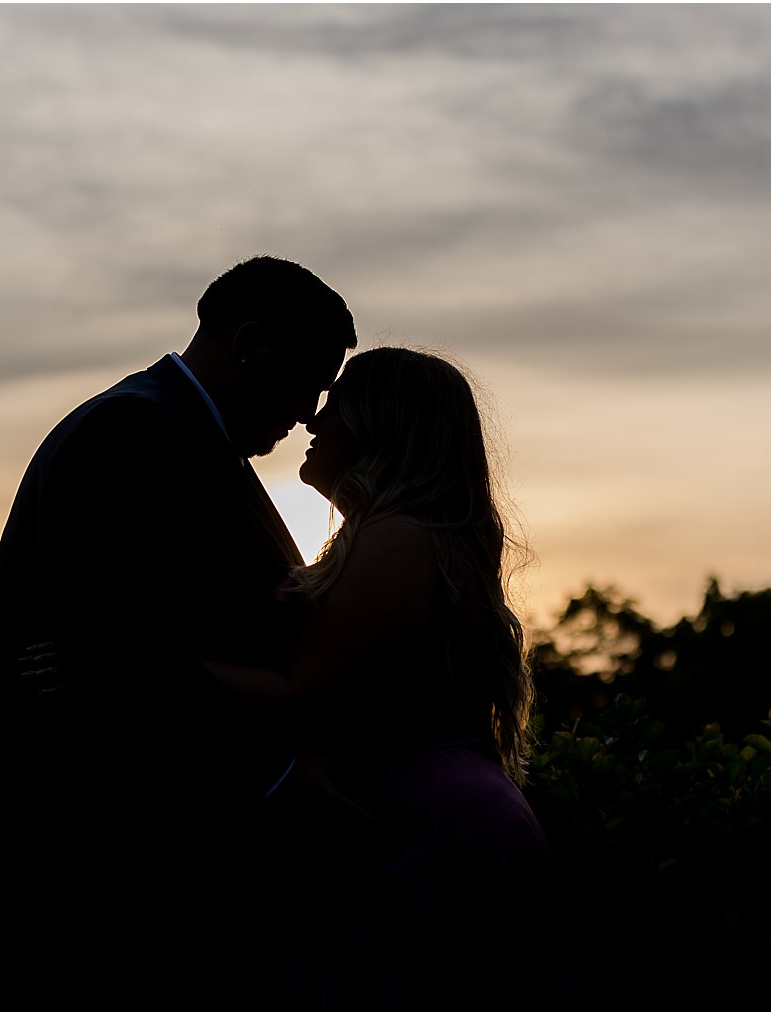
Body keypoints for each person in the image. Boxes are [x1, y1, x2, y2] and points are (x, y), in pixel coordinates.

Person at [0, 255, 357, 1007]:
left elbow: (124, 651)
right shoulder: (134, 432)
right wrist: (284, 780)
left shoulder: (181, 435)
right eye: (309, 380)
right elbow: (116, 657)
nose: (308, 415)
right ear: (250, 341)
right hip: (84, 861)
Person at [206, 346, 576, 1010]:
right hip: (432, 821)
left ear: (383, 423)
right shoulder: (419, 538)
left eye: (341, 402)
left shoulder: (398, 540)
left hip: (424, 835)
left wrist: (135, 660)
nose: (317, 419)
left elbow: (302, 697)